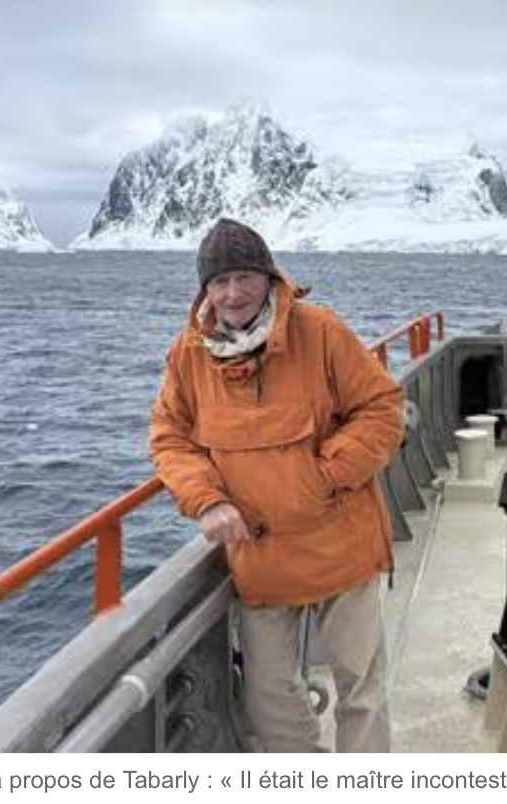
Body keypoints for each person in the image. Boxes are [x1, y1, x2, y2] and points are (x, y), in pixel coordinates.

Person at [149, 217, 404, 753]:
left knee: (361, 689)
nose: (233, 293)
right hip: (259, 557)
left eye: (244, 276)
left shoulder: (321, 331)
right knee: (268, 698)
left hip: (342, 540)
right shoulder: (187, 354)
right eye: (220, 281)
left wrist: (322, 477)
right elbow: (170, 438)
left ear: (269, 277)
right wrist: (206, 500)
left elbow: (382, 409)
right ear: (205, 290)